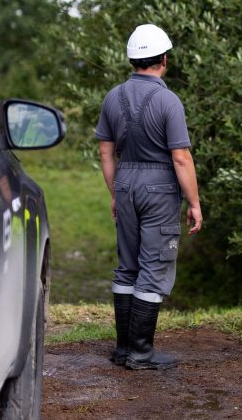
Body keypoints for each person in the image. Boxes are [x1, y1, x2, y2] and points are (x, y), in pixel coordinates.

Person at [95, 24, 203, 370]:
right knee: (154, 266)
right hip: (159, 186)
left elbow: (105, 153)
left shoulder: (113, 96)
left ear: (132, 59)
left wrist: (117, 192)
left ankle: (124, 349)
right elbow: (181, 157)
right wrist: (195, 203)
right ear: (164, 59)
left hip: (125, 182)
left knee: (127, 265)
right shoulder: (168, 101)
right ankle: (141, 353)